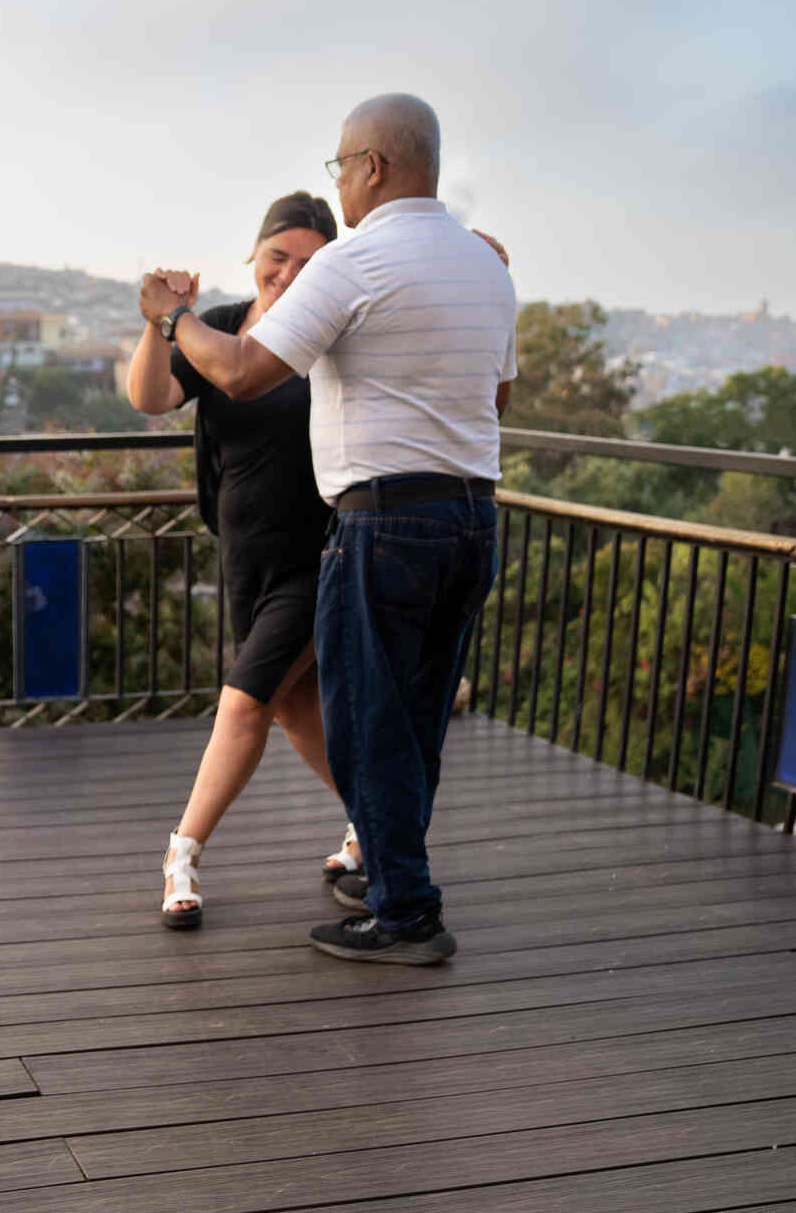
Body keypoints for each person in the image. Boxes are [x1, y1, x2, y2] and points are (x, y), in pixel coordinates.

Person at [138, 93, 516, 966]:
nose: (340, 182)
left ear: (372, 167)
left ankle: (405, 913)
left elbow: (239, 370)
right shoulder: (485, 265)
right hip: (473, 517)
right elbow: (495, 399)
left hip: (384, 524)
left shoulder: (355, 261)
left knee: (365, 721)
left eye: (341, 166)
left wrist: (168, 318)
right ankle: (390, 877)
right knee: (415, 718)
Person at [126, 193, 357, 930]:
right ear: (254, 256)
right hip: (244, 558)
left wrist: (172, 319)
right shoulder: (219, 325)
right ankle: (377, 826)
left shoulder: (328, 335)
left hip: (319, 555)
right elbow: (152, 395)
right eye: (278, 257)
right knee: (294, 708)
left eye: (310, 262)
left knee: (244, 699)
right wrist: (159, 325)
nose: (289, 274)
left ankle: (182, 850)